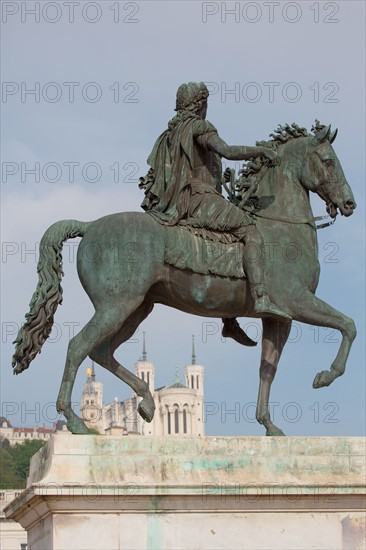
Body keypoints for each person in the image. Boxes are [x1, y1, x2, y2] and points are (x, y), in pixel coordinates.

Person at [140, 82, 290, 346]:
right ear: (200, 104)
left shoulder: (171, 132)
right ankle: (260, 296)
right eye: (205, 103)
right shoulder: (198, 127)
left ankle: (229, 319)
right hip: (199, 199)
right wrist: (262, 151)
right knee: (249, 229)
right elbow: (228, 151)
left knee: (226, 242)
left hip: (182, 200)